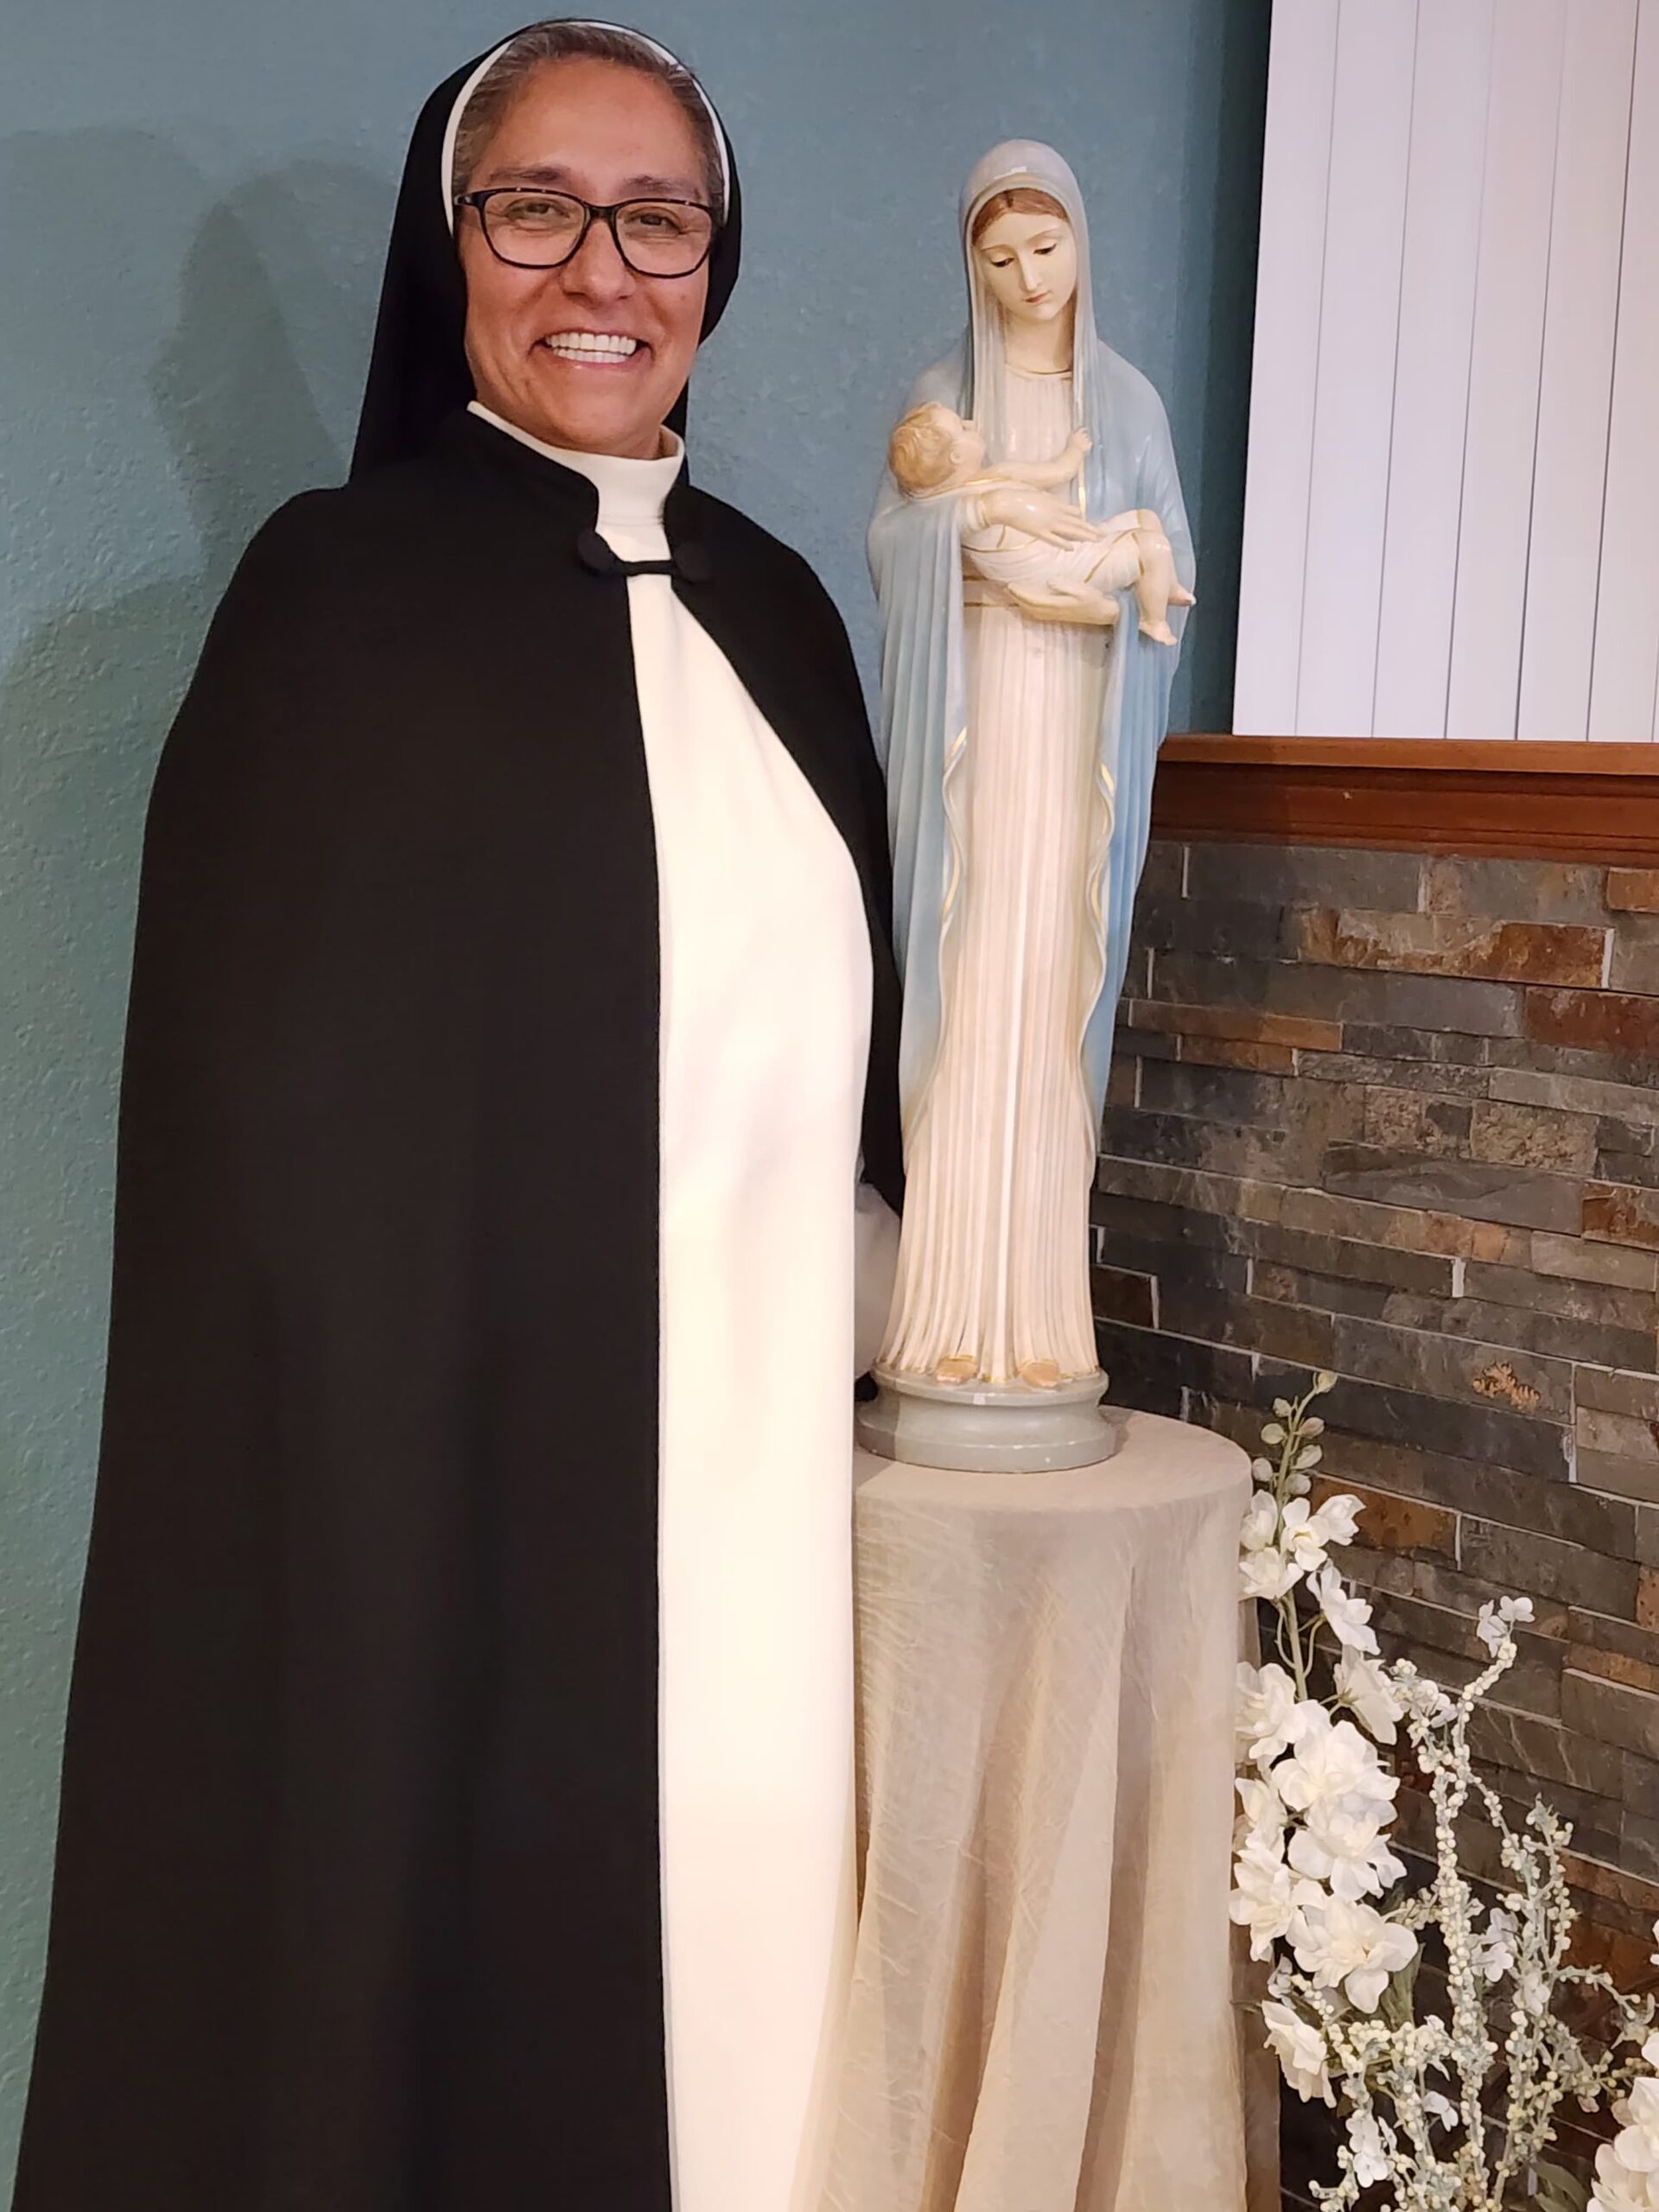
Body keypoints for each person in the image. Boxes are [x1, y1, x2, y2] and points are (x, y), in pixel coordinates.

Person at [14, 22, 901, 2212]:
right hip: (438, 1528)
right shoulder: (335, 602)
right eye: (537, 208)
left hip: (767, 1536)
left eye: (658, 217)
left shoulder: (791, 615)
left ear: (715, 260)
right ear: (454, 246)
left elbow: (856, 1101)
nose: (601, 269)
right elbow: (265, 1169)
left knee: (759, 2053)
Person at [869, 143, 1192, 1395]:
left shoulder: (1130, 406)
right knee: (969, 988)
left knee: (1051, 991)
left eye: (1047, 248)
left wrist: (1093, 578)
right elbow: (894, 544)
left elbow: (1167, 569)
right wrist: (967, 533)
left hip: (1074, 740)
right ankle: (944, 1317)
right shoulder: (942, 395)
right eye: (999, 258)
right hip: (972, 734)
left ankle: (1045, 1325)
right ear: (971, 263)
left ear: (1081, 242)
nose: (1028, 277)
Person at [886, 400, 1194, 641]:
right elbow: (922, 530)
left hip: (1071, 546)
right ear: (955, 456)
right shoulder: (964, 510)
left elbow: (1057, 472)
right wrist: (996, 506)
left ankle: (1167, 586)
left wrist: (1074, 450)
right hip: (1053, 572)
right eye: (962, 429)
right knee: (1152, 547)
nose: (971, 424)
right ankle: (1153, 620)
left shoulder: (999, 474)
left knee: (1147, 518)